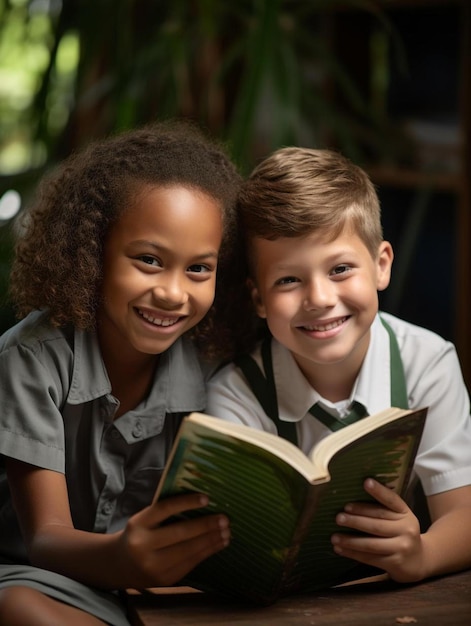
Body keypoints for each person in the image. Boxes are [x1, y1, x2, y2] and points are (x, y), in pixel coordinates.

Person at [0, 121, 242, 625]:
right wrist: (124, 557)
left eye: (199, 268)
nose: (174, 293)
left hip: (164, 597)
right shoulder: (31, 359)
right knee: (18, 609)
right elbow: (45, 539)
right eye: (149, 260)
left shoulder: (212, 369)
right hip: (42, 580)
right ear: (92, 254)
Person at [207, 146, 471, 587]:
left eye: (341, 269)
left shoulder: (427, 363)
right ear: (258, 298)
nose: (320, 299)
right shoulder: (237, 395)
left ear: (381, 265)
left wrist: (421, 554)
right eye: (288, 279)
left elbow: (463, 514)